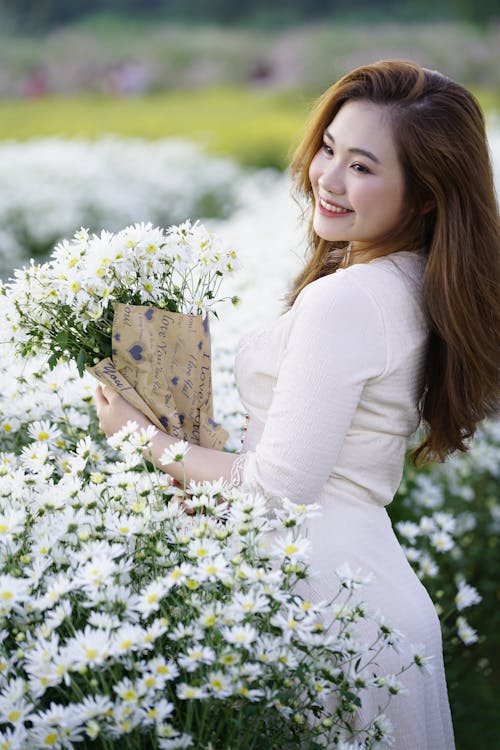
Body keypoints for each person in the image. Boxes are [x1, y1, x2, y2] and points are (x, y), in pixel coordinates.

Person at [95, 60, 500, 748]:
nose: (329, 177)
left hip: (328, 614)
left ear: (427, 194)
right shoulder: (408, 280)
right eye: (330, 148)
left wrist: (140, 435)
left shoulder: (347, 298)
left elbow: (278, 490)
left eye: (364, 167)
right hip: (361, 593)